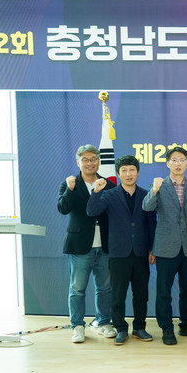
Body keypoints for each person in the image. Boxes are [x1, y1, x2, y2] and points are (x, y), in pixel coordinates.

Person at [86, 155, 156, 345]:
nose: (128, 174)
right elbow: (92, 211)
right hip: (118, 253)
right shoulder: (109, 195)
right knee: (118, 295)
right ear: (118, 173)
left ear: (138, 172)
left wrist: (152, 249)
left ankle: (139, 328)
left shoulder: (146, 195)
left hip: (141, 252)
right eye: (124, 170)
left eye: (132, 170)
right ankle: (121, 329)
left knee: (141, 294)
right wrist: (96, 192)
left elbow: (152, 224)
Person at [142, 146, 187, 346]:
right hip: (165, 246)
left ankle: (186, 324)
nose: (178, 164)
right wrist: (154, 190)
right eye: (174, 160)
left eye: (182, 160)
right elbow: (147, 207)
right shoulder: (159, 185)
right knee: (164, 291)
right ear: (168, 163)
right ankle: (167, 328)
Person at [57, 144, 116, 343]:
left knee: (105, 288)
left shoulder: (108, 184)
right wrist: (70, 190)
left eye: (93, 159)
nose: (90, 163)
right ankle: (77, 326)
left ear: (98, 161)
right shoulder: (70, 183)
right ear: (78, 162)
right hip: (80, 245)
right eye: (85, 159)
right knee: (77, 289)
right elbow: (62, 208)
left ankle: (103, 323)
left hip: (105, 245)